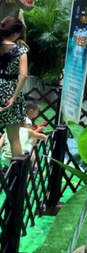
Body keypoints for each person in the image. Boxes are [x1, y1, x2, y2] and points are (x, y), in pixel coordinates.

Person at [0, 17, 29, 163]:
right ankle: (17, 172)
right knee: (14, 138)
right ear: (15, 33)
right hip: (10, 90)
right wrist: (13, 97)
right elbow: (24, 75)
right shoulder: (20, 50)